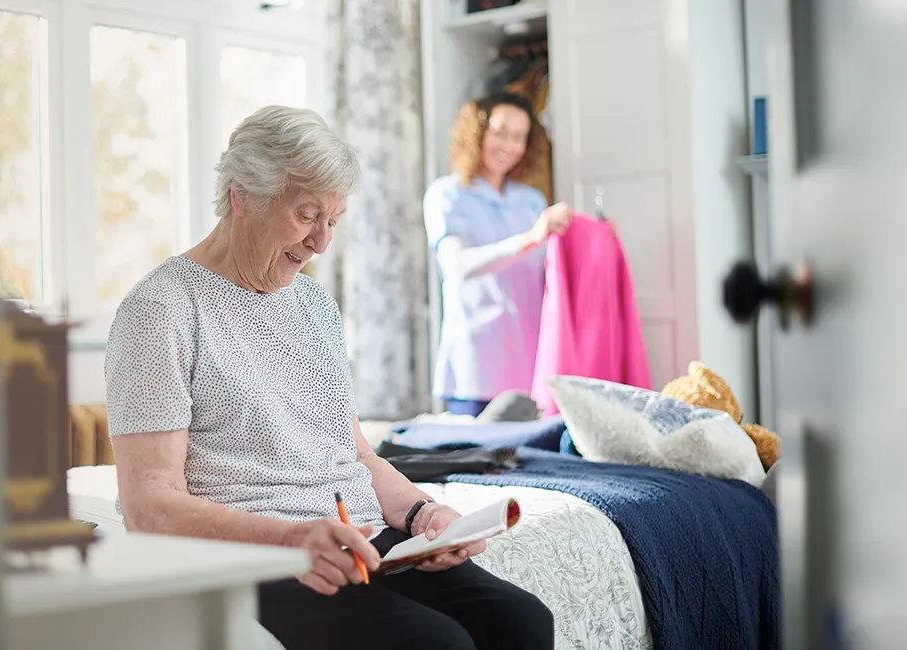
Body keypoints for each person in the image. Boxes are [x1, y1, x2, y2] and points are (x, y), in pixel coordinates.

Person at [104, 105, 553, 650]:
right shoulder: (160, 309)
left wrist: (423, 515)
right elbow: (150, 505)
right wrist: (294, 538)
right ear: (242, 195)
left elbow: (354, 453)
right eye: (306, 215)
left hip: (360, 540)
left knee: (522, 619)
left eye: (333, 220)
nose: (321, 242)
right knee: (437, 643)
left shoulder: (315, 304)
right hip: (261, 553)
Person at [425, 93, 573, 418]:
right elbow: (457, 267)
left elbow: (555, 271)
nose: (510, 145)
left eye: (519, 137)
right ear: (476, 132)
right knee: (475, 464)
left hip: (532, 366)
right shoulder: (447, 195)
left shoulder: (531, 201)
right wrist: (530, 238)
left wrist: (597, 237)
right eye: (501, 132)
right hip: (476, 366)